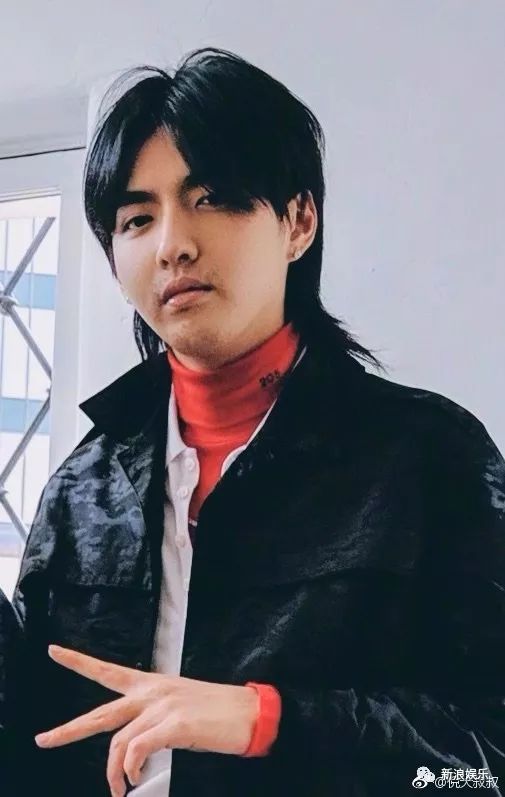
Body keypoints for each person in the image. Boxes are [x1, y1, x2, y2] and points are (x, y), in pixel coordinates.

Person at [1, 46, 505, 797]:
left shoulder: (430, 458)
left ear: (297, 221)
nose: (172, 244)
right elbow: (29, 742)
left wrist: (266, 720)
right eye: (137, 218)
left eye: (211, 198)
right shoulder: (83, 486)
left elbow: (481, 766)